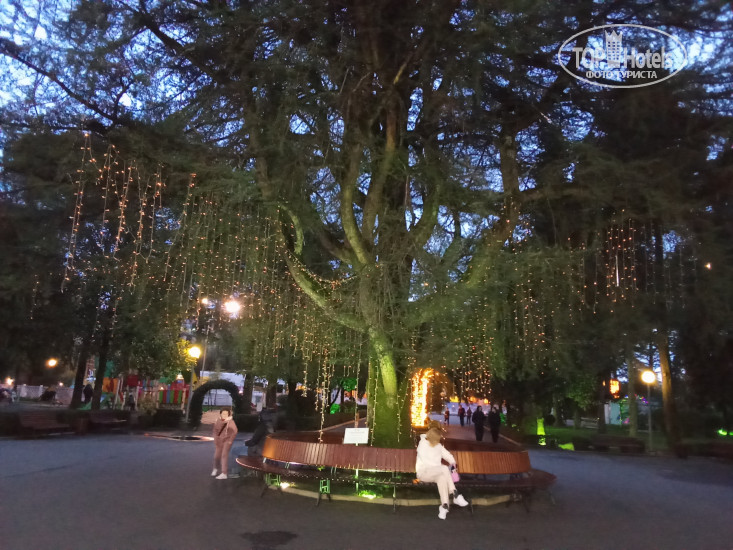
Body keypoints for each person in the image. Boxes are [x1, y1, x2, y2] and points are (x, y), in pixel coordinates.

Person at [415, 424, 469, 519]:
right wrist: (441, 468)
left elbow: (449, 457)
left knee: (442, 478)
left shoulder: (438, 446)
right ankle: (455, 494)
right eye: (437, 439)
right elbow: (428, 464)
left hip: (436, 473)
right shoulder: (422, 444)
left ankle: (444, 506)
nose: (438, 441)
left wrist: (453, 466)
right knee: (444, 469)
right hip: (423, 473)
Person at [228, 409, 275, 478]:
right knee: (241, 450)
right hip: (267, 452)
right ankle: (244, 471)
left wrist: (245, 443)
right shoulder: (272, 428)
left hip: (258, 452)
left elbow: (253, 442)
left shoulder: (262, 427)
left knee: (234, 450)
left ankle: (236, 472)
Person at [212, 409, 238, 480]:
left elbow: (235, 431)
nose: (225, 415)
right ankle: (215, 468)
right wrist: (215, 439)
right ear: (220, 414)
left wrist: (230, 440)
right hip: (219, 441)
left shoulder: (231, 422)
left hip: (227, 441)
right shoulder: (218, 421)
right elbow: (215, 431)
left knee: (224, 455)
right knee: (217, 456)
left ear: (229, 415)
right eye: (223, 413)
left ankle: (224, 473)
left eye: (226, 414)